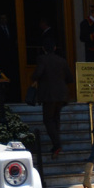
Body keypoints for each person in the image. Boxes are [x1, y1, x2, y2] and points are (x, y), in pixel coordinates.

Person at [29, 37, 72, 165]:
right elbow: (70, 78)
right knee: (56, 118)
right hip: (62, 95)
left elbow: (37, 74)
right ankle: (56, 144)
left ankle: (57, 143)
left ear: (43, 49)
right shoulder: (62, 60)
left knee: (48, 119)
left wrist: (35, 78)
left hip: (49, 95)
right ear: (54, 48)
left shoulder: (42, 59)